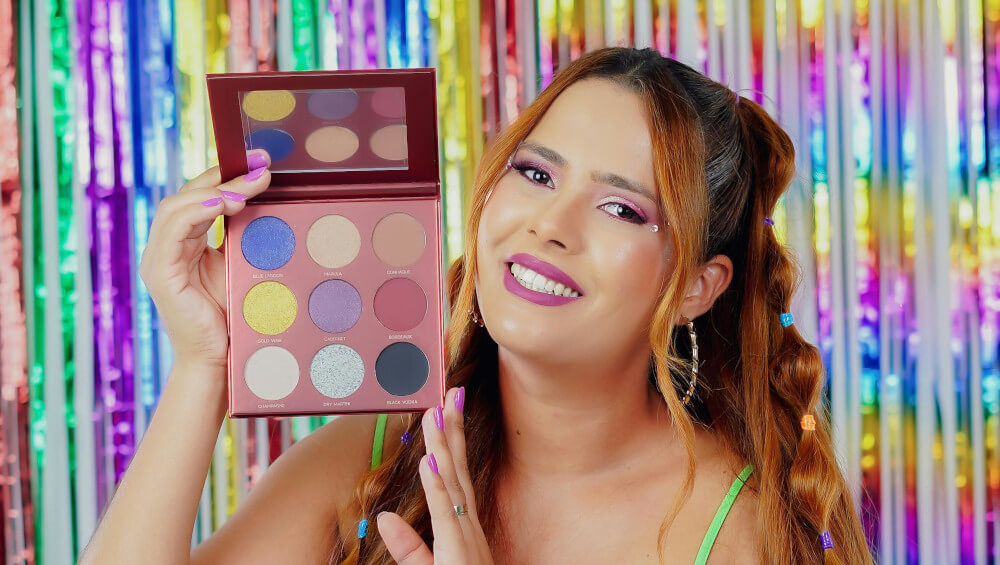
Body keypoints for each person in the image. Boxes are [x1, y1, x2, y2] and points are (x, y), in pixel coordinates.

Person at [79, 47, 873, 564]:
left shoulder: (743, 529)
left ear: (698, 286)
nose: (548, 226)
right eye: (535, 173)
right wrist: (204, 366)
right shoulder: (385, 453)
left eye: (622, 209)